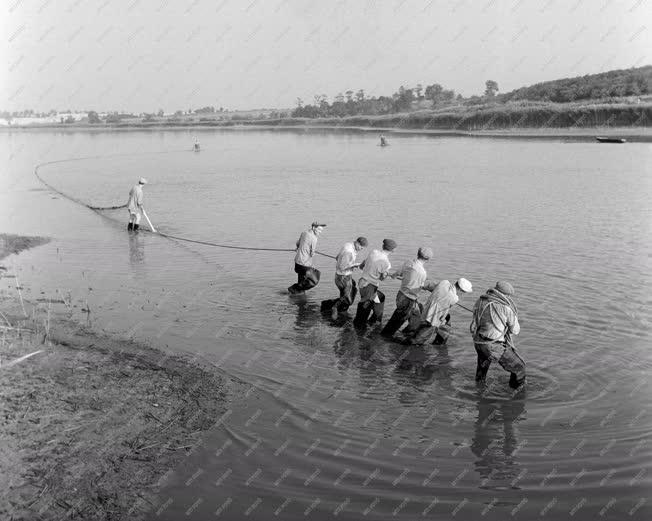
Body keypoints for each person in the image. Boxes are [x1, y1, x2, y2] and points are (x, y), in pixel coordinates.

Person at [470, 281, 525, 388]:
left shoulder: (481, 300)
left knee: (482, 370)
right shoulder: (506, 308)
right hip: (494, 346)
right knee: (519, 368)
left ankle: (479, 391)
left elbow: (476, 318)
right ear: (506, 295)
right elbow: (515, 330)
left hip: (479, 342)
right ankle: (516, 396)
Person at [381, 247, 436, 338]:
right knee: (396, 321)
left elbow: (398, 273)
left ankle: (406, 335)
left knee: (416, 318)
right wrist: (431, 288)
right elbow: (422, 286)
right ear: (428, 259)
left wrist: (394, 275)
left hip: (401, 295)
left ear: (418, 253)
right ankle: (384, 337)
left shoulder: (408, 262)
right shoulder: (422, 272)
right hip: (408, 299)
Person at [409, 278, 473, 345]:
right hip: (433, 319)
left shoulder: (444, 282)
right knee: (419, 339)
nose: (462, 294)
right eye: (463, 292)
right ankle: (411, 345)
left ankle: (437, 342)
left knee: (445, 326)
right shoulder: (454, 298)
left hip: (426, 311)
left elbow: (433, 286)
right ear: (460, 290)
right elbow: (446, 308)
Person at [353, 238, 397, 327]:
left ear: (383, 246)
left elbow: (362, 265)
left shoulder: (374, 252)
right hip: (370, 286)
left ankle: (376, 320)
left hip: (362, 283)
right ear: (392, 250)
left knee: (380, 298)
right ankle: (359, 327)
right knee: (365, 307)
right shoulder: (386, 263)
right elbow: (382, 278)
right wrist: (387, 274)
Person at [321, 236, 368, 315]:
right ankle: (332, 306)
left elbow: (337, 257)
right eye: (361, 247)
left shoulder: (348, 244)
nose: (361, 249)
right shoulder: (349, 252)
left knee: (347, 293)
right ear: (357, 243)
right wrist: (355, 265)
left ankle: (338, 310)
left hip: (339, 276)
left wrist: (345, 261)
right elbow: (342, 267)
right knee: (348, 299)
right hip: (344, 277)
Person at [288, 222, 326, 294]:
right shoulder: (314, 238)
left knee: (302, 281)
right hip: (304, 264)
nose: (320, 232)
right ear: (314, 228)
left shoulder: (304, 233)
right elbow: (312, 254)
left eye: (321, 230)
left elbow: (298, 243)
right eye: (319, 230)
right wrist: (313, 252)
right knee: (314, 280)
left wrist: (298, 248)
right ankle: (294, 288)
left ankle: (296, 295)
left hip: (297, 262)